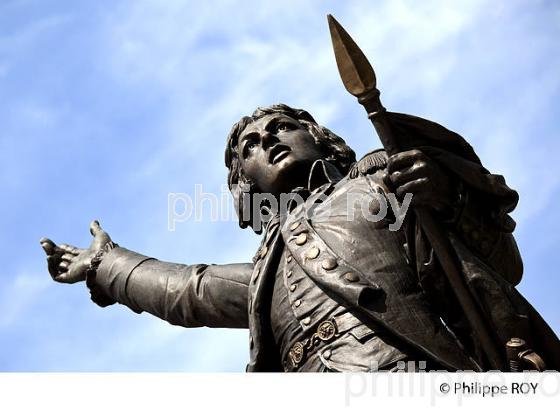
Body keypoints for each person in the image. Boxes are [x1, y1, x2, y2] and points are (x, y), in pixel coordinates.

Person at [40, 104, 559, 372]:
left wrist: (447, 194)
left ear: (319, 137)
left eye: (281, 127)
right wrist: (106, 264)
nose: (267, 140)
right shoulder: (268, 268)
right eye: (250, 147)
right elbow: (192, 291)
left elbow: (496, 264)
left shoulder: (377, 183)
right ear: (245, 181)